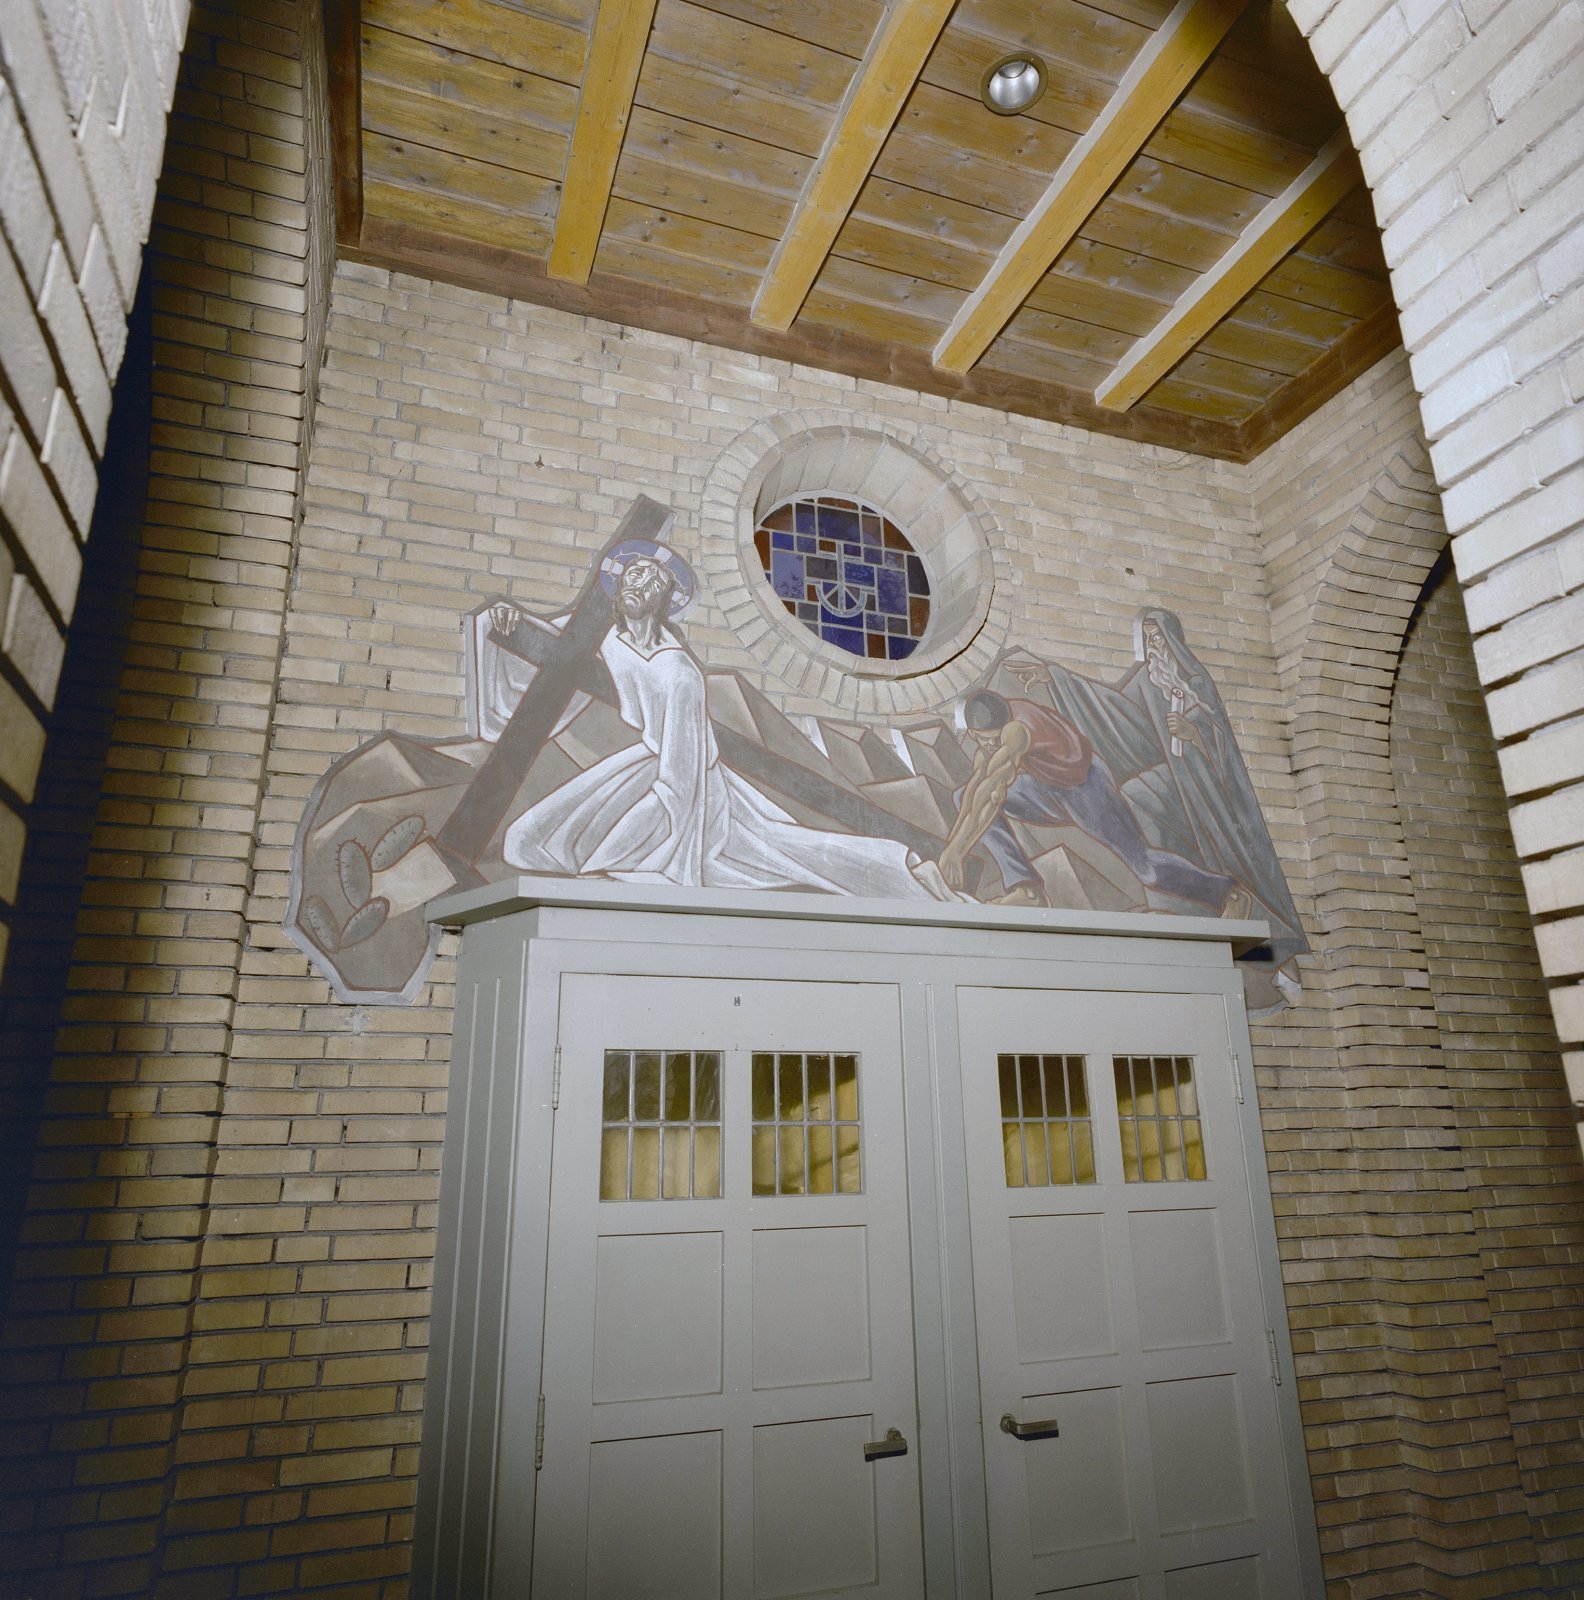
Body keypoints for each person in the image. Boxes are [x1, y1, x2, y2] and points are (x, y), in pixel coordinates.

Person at [481, 550, 956, 900]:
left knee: (785, 849)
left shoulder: (679, 672)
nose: (636, 583)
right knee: (527, 841)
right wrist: (508, 619)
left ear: (663, 597)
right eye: (631, 574)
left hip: (688, 783)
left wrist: (614, 854)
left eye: (649, 579)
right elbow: (557, 642)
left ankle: (897, 869)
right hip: (644, 765)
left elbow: (680, 780)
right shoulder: (607, 634)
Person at [937, 688, 1242, 913]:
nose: (988, 744)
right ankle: (1028, 891)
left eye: (993, 738)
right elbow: (975, 796)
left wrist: (958, 850)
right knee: (962, 795)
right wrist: (952, 849)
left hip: (1086, 788)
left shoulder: (1016, 731)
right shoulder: (987, 746)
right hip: (1045, 789)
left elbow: (994, 792)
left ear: (1004, 726)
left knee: (1146, 867)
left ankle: (1227, 893)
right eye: (982, 739)